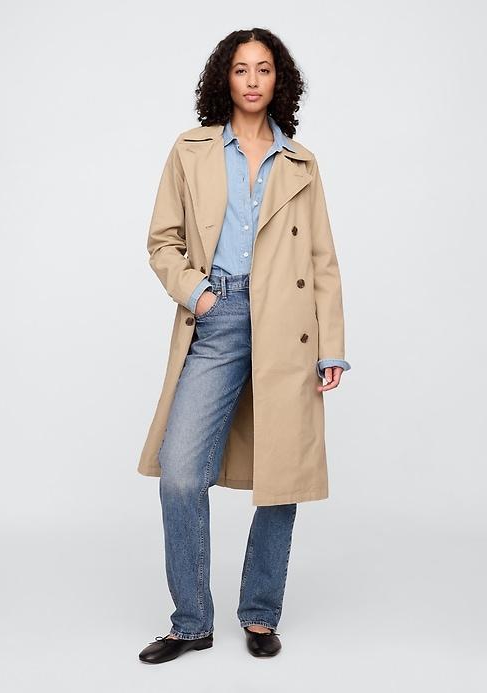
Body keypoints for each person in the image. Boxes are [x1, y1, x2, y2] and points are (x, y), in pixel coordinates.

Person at [138, 27, 351, 665]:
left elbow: (322, 260)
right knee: (181, 472)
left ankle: (260, 613)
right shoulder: (192, 149)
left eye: (263, 68)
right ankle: (191, 622)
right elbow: (163, 241)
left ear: (279, 79)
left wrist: (331, 346)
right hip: (221, 312)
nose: (252, 80)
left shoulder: (301, 162)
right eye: (240, 69)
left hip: (289, 322)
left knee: (281, 473)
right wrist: (199, 295)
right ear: (224, 79)